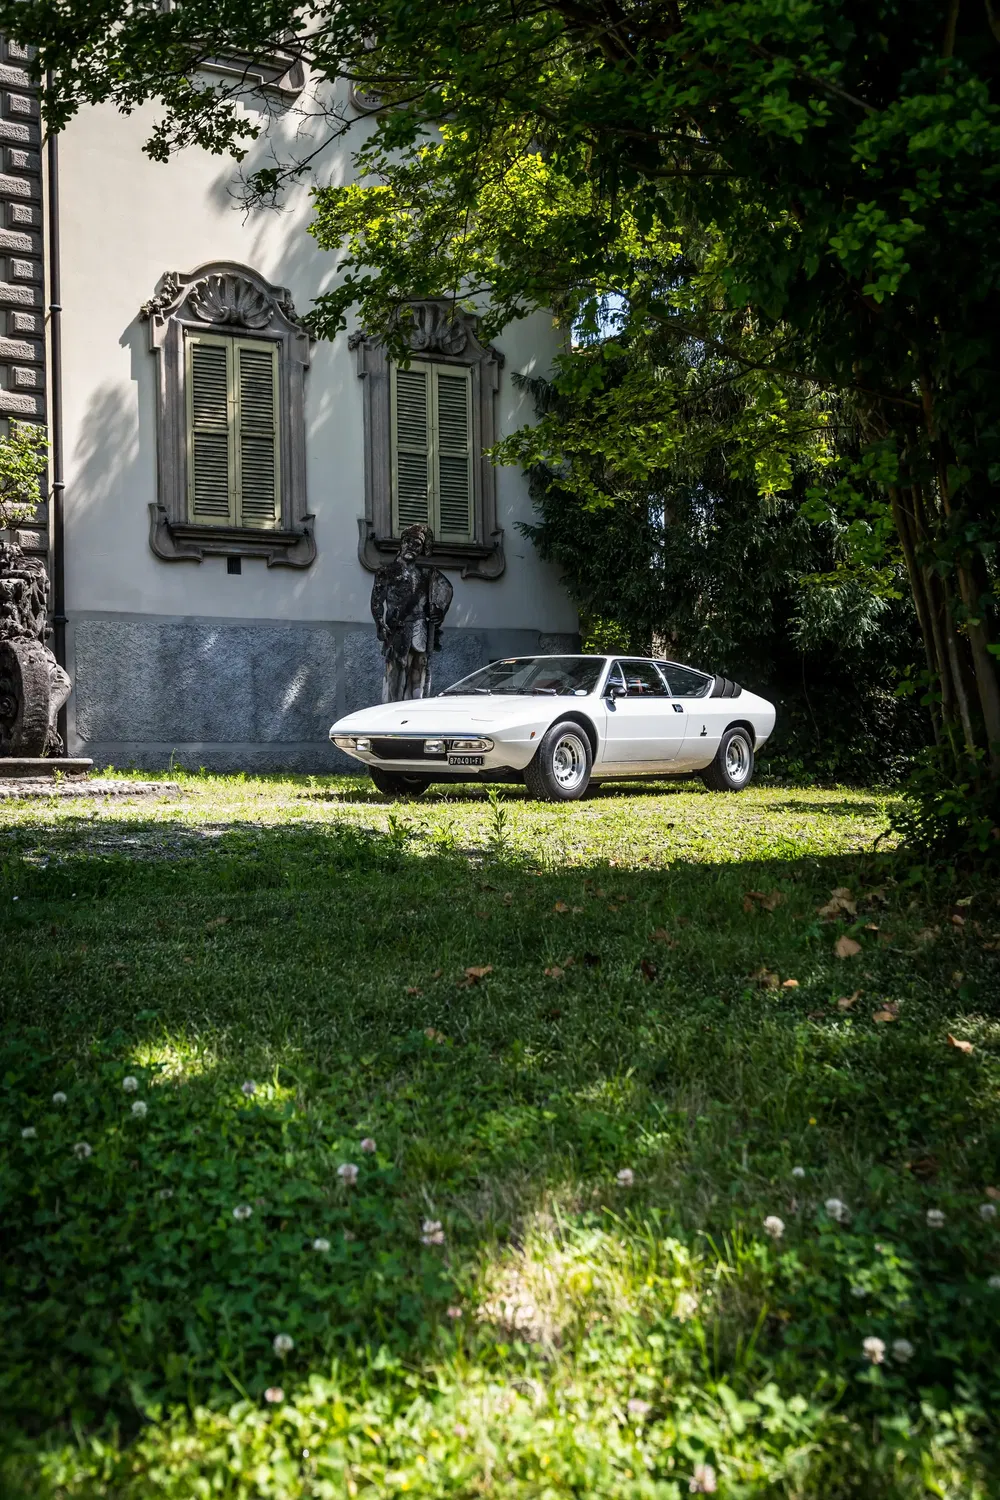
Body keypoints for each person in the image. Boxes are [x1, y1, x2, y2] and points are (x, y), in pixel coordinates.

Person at [370, 524, 454, 701]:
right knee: (396, 676)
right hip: (398, 631)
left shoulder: (426, 575)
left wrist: (439, 611)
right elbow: (376, 602)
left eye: (416, 544)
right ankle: (392, 715)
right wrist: (380, 623)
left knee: (419, 676)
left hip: (420, 631)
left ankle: (415, 714)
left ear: (421, 549)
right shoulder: (387, 572)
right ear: (401, 544)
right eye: (408, 542)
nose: (411, 547)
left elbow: (445, 589)